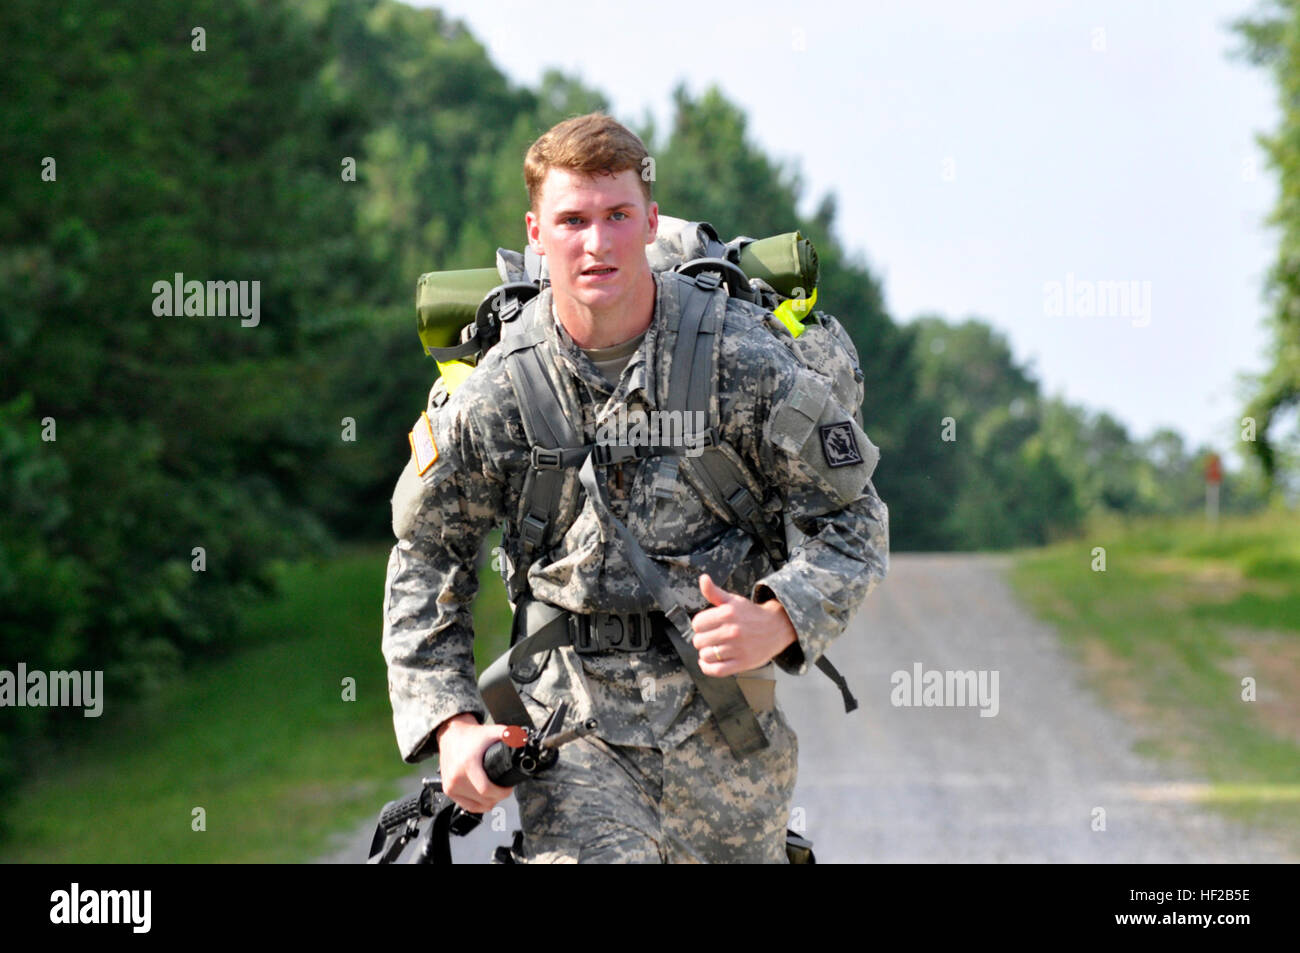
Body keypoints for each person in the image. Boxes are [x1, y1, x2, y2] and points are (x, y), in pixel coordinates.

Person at [382, 112, 889, 863]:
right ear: (538, 230)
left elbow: (851, 519)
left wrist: (780, 616)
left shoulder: (743, 363)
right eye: (573, 220)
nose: (597, 243)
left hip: (729, 734)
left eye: (618, 215)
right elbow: (427, 554)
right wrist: (453, 722)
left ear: (651, 220)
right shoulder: (503, 391)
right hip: (572, 732)